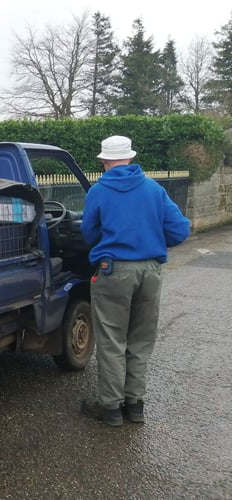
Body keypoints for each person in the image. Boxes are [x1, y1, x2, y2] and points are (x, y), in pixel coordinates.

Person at [80, 135, 190, 427]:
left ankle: (111, 408)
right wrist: (150, 242)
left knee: (112, 339)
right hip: (151, 270)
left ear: (104, 161)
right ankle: (135, 405)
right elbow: (180, 230)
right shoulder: (154, 189)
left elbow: (89, 233)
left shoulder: (99, 191)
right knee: (140, 340)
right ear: (130, 157)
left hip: (113, 270)